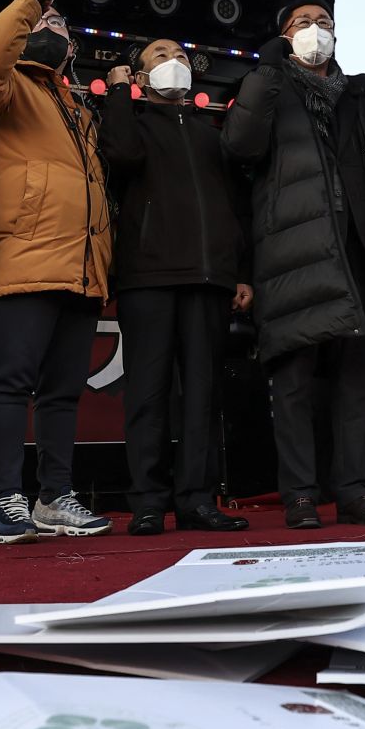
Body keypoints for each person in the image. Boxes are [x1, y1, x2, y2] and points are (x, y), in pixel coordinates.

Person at [222, 0, 365, 530]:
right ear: (285, 37)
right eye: (302, 24)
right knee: (293, 384)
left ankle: (355, 491)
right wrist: (265, 71)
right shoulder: (269, 86)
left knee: (356, 383)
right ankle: (301, 496)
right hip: (292, 252)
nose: (316, 31)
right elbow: (239, 145)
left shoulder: (354, 93)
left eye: (324, 23)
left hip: (355, 248)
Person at [0, 0, 113, 543]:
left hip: (82, 264)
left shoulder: (79, 109)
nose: (51, 29)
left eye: (60, 26)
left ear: (72, 51)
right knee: (9, 382)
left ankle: (54, 496)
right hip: (26, 255)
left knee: (63, 391)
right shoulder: (7, 88)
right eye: (42, 24)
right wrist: (28, 4)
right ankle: (6, 498)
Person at [102, 37, 252, 535]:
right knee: (148, 393)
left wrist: (240, 271)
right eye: (161, 58)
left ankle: (198, 499)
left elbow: (236, 206)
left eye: (182, 57)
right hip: (148, 276)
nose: (175, 64)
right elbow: (119, 156)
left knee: (203, 395)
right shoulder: (135, 124)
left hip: (209, 279)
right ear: (143, 77)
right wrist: (119, 94)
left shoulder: (214, 135)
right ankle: (148, 502)